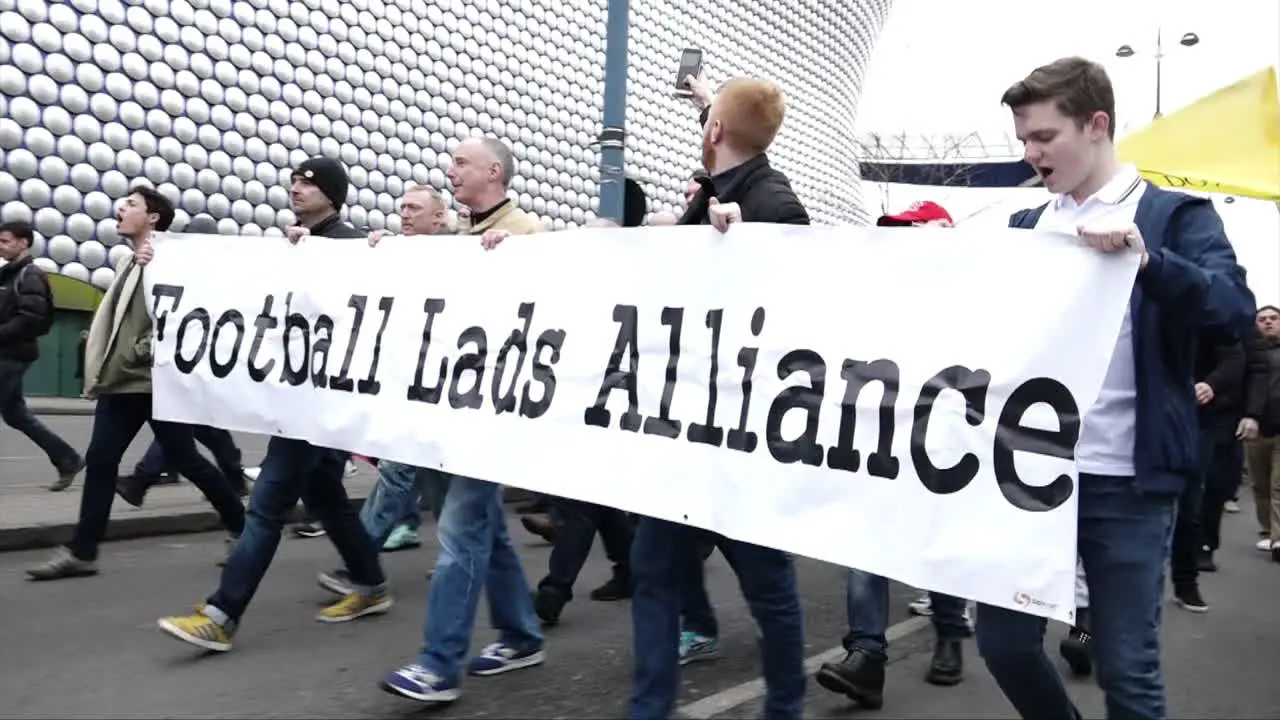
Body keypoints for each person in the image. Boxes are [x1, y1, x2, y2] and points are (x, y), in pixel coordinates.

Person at [975, 57, 1255, 720]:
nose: (1030, 152)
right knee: (1005, 645)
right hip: (1027, 477)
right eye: (1023, 138)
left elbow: (1233, 309)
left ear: (1096, 124)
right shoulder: (1025, 228)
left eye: (1044, 136)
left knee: (1127, 670)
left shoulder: (1171, 215)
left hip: (1125, 483)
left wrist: (1148, 259)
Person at [628, 76, 809, 720]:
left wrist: (748, 241)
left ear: (713, 135)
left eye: (708, 123)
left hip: (740, 437)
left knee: (766, 584)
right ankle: (649, 707)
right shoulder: (713, 192)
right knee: (652, 568)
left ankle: (786, 706)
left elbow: (795, 293)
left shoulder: (769, 201)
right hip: (685, 431)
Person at [155, 158, 391, 652]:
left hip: (317, 402)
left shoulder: (347, 243)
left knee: (265, 508)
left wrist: (319, 259)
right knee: (325, 493)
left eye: (309, 182)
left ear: (333, 193)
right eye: (295, 180)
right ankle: (370, 583)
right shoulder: (298, 244)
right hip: (301, 396)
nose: (297, 186)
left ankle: (222, 614)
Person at [380, 137, 544, 706]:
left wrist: (517, 266)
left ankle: (439, 664)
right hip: (453, 406)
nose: (450, 172)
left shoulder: (527, 234)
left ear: (493, 171)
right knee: (485, 529)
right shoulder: (457, 241)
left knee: (458, 531)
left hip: (493, 413)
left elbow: (549, 310)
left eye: (460, 163)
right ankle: (522, 634)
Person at [26, 187, 247, 580]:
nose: (121, 208)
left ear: (153, 219)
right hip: (124, 380)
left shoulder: (171, 259)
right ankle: (83, 551)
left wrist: (143, 347)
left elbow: (189, 311)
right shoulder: (132, 260)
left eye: (131, 205)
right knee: (106, 461)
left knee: (186, 459)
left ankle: (243, 529)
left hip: (154, 381)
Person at [816, 202, 973, 708]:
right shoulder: (878, 297)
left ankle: (949, 631)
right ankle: (866, 656)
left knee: (939, 541)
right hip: (879, 437)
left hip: (938, 442)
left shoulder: (965, 296)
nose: (899, 243)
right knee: (867, 544)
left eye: (910, 233)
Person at [0, 220, 85, 492]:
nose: (0, 246)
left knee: (15, 414)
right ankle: (67, 458)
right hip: (8, 352)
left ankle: (68, 458)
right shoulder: (10, 275)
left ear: (23, 243)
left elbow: (30, 319)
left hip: (12, 354)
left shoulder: (30, 275)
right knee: (15, 415)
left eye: (5, 241)